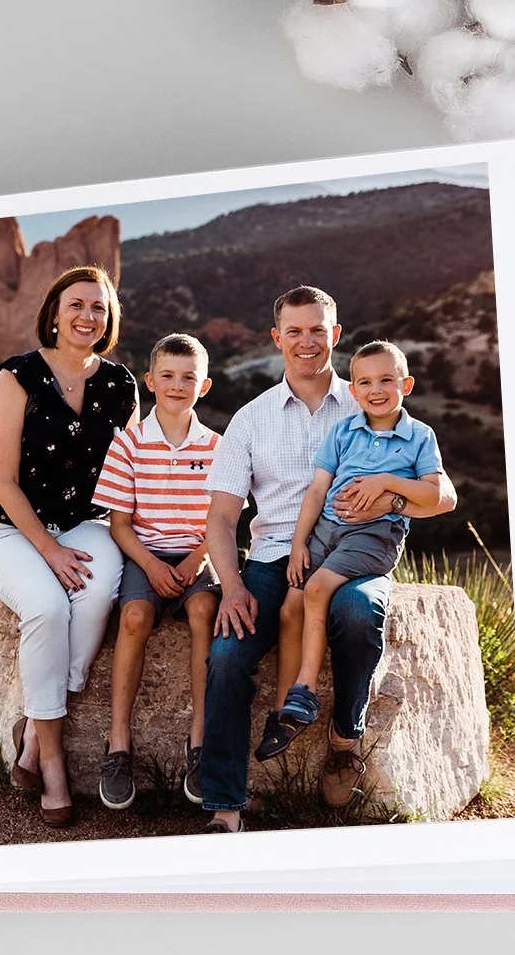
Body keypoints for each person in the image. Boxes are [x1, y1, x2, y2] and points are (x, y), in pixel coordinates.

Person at [197, 288, 457, 833]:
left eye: (318, 329)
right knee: (226, 654)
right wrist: (233, 586)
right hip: (274, 558)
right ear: (277, 339)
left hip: (358, 553)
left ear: (335, 335)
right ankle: (224, 806)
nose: (307, 341)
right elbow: (220, 519)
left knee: (360, 615)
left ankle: (345, 739)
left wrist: (389, 497)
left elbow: (444, 496)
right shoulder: (250, 419)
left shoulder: (369, 395)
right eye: (295, 331)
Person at [0, 265, 139, 827]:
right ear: (54, 313)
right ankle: (54, 760)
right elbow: (3, 481)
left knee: (94, 598)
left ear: (108, 319)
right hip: (12, 529)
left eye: (99, 308)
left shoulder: (121, 384)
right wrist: (48, 550)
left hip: (89, 524)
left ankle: (34, 736)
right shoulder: (17, 375)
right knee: (45, 605)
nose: (87, 317)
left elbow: (132, 475)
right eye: (76, 305)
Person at [257, 340, 444, 760]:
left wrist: (386, 483)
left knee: (319, 588)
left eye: (386, 380)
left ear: (406, 384)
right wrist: (299, 543)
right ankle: (282, 709)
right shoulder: (343, 430)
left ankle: (304, 693)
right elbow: (317, 490)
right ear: (353, 391)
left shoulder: (418, 436)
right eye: (365, 382)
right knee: (290, 607)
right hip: (326, 529)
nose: (376, 389)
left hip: (373, 535)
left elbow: (434, 493)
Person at [88, 333, 222, 811]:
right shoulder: (127, 445)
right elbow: (119, 525)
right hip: (143, 553)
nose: (177, 385)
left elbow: (220, 523)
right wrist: (148, 563)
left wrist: (195, 561)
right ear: (149, 381)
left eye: (188, 377)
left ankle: (199, 742)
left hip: (197, 555)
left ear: (204, 386)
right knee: (135, 618)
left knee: (206, 608)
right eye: (167, 376)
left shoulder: (217, 447)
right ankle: (118, 745)